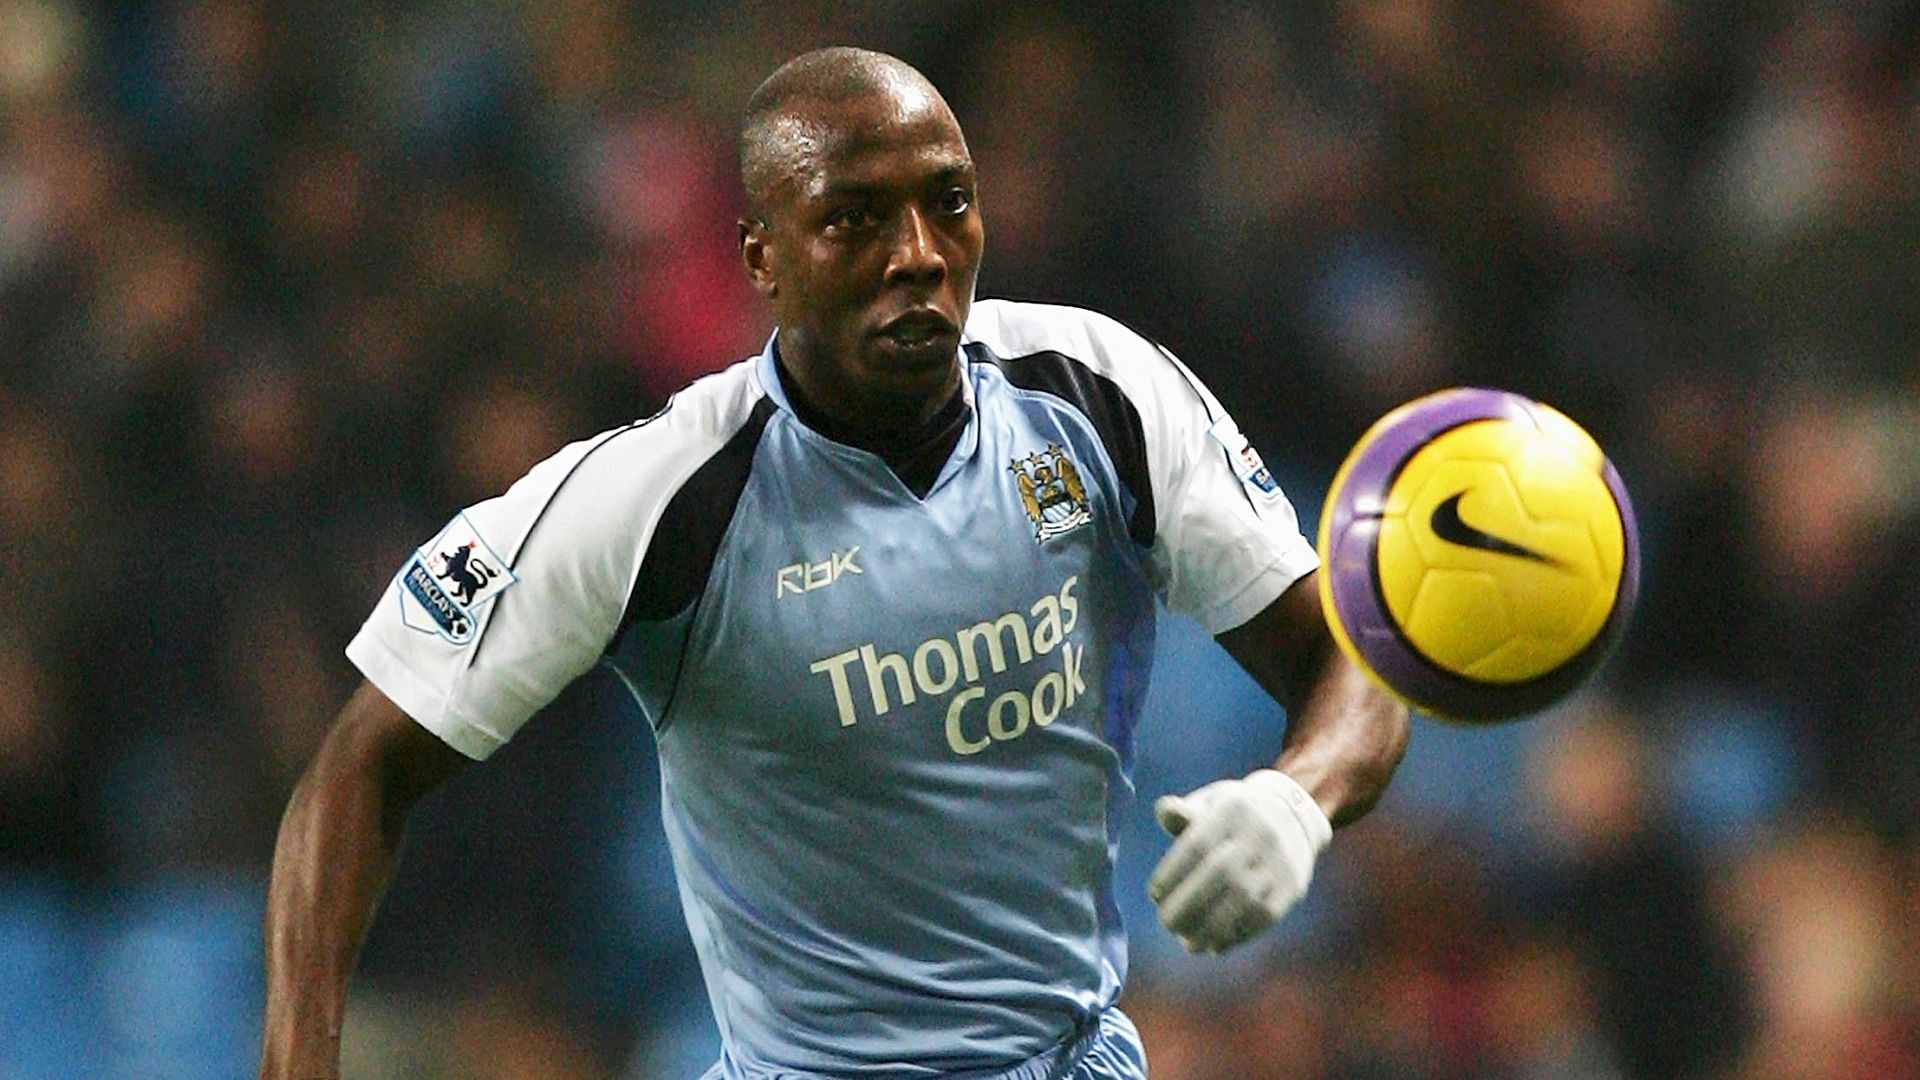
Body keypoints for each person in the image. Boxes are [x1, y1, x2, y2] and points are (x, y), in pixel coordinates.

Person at [257, 47, 1409, 1080]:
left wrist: (1295, 801)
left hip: (1069, 1060)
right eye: (855, 218)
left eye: (947, 202)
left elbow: (1348, 657)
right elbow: (361, 766)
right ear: (761, 254)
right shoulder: (659, 499)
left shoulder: (1098, 395)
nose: (917, 253)